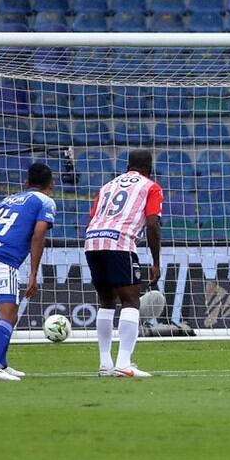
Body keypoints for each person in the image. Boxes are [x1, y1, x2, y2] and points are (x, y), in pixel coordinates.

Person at [0, 162, 56, 381]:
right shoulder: (45, 201)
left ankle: (0, 362)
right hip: (3, 259)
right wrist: (34, 274)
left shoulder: (5, 200)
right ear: (51, 185)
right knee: (7, 313)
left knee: (10, 312)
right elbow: (38, 236)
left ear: (26, 183)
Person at [85, 149, 162, 378]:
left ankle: (105, 363)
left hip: (93, 241)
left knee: (106, 301)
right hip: (120, 242)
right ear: (149, 168)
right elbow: (152, 224)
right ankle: (124, 363)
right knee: (130, 301)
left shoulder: (107, 186)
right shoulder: (151, 186)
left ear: (128, 166)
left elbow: (92, 217)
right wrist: (155, 261)